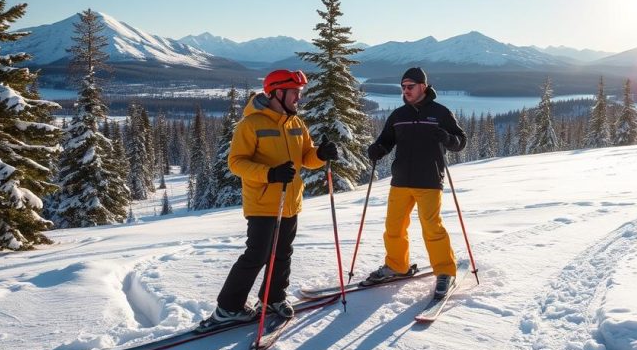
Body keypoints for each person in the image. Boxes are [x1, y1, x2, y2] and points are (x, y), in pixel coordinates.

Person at [199, 69, 339, 330]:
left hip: (290, 201)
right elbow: (236, 163)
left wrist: (320, 153)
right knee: (258, 254)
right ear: (277, 93)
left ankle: (273, 298)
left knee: (283, 252)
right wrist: (269, 174)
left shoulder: (296, 123)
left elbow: (306, 156)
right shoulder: (251, 124)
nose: (299, 97)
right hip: (263, 203)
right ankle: (228, 308)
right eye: (295, 92)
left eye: (300, 92)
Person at [364, 66, 467, 298]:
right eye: (403, 87)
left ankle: (445, 271)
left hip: (429, 179)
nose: (406, 90)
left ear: (423, 86)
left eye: (410, 86)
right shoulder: (399, 115)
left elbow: (461, 141)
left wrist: (448, 138)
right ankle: (397, 266)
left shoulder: (441, 113)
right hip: (400, 180)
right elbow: (386, 141)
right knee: (394, 227)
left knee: (432, 228)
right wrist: (377, 149)